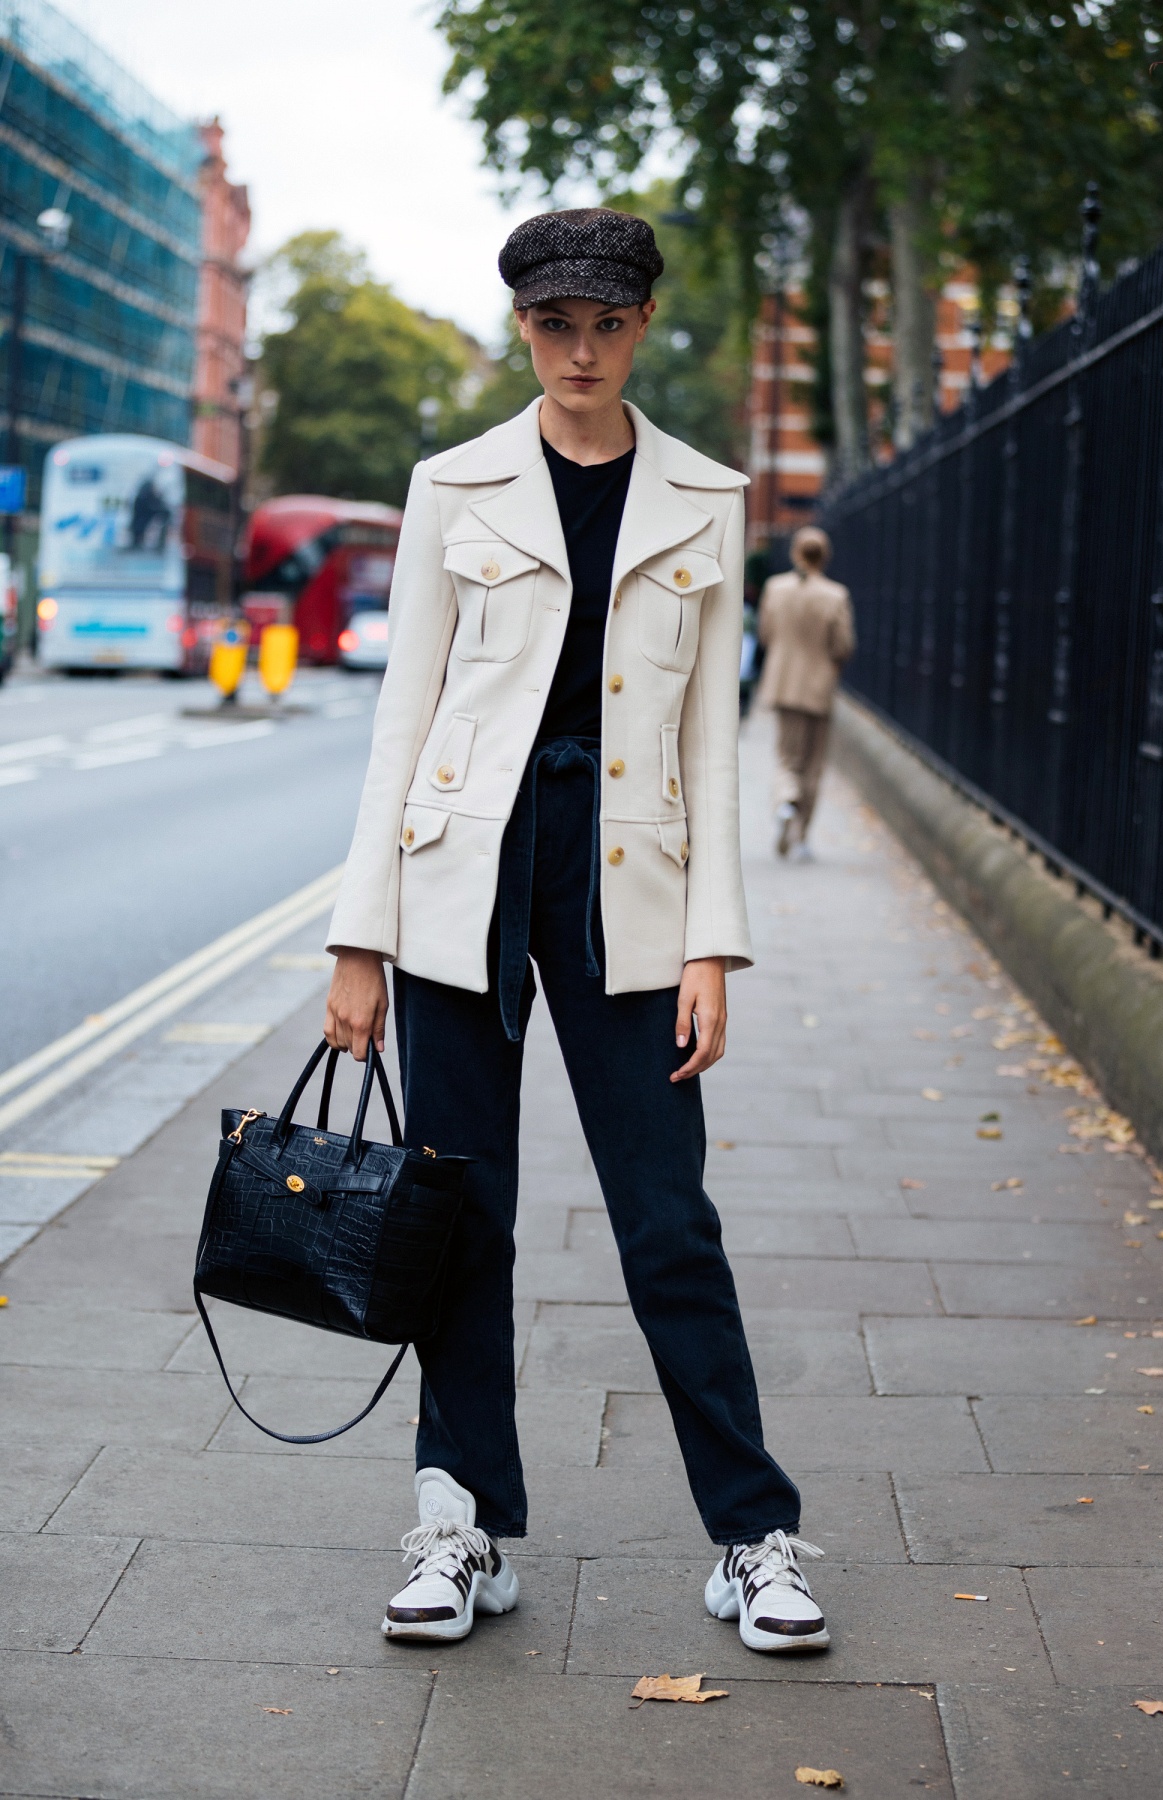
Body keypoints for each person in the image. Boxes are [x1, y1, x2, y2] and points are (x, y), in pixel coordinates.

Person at [323, 208, 828, 1655]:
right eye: (556, 323)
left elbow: (710, 745)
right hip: (455, 879)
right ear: (524, 328)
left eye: (607, 322)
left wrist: (712, 948)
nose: (582, 349)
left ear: (646, 322)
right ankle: (459, 1527)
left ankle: (752, 1537)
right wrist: (360, 943)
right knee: (459, 1212)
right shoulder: (451, 485)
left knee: (670, 1222)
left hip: (635, 887)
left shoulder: (702, 498)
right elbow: (400, 719)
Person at [757, 527, 855, 859]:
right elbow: (843, 646)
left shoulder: (775, 588)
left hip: (783, 684)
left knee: (787, 756)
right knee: (813, 765)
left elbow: (766, 634)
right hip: (818, 688)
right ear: (824, 556)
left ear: (795, 553)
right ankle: (801, 837)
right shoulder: (835, 595)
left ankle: (785, 799)